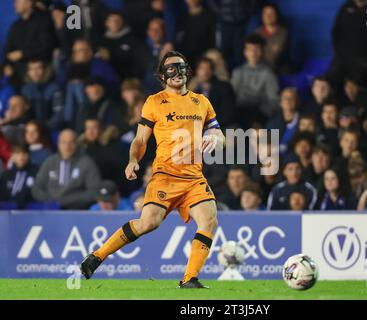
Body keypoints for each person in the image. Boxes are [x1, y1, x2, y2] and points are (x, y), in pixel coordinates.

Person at [80, 51, 225, 289]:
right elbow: (139, 140)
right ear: (162, 76)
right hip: (165, 176)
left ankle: (189, 279)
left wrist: (217, 139)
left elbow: (217, 131)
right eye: (170, 69)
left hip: (194, 178)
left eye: (180, 67)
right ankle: (97, 256)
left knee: (209, 221)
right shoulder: (154, 102)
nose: (176, 73)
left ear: (187, 71)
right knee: (148, 223)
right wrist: (133, 160)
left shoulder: (202, 102)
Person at [327, 0, 367, 87]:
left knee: (353, 85)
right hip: (343, 58)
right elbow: (336, 32)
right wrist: (340, 52)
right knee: (328, 82)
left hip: (364, 61)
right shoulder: (347, 7)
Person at [31, 129, 101, 209]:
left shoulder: (87, 163)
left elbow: (94, 192)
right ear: (58, 144)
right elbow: (36, 189)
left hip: (77, 211)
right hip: (51, 209)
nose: (67, 147)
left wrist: (66, 200)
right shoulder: (49, 162)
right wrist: (51, 201)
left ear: (77, 144)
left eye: (71, 142)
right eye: (63, 142)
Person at [231, 34, 279, 128]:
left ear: (262, 52)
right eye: (250, 49)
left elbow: (273, 100)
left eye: (256, 49)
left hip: (260, 114)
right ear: (245, 52)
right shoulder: (237, 72)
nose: (253, 53)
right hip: (240, 112)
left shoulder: (268, 74)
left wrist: (263, 114)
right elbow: (232, 97)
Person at [2, 0, 56, 85]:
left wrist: (23, 53)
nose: (14, 4)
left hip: (40, 69)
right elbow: (8, 50)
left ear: (29, 3)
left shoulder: (44, 21)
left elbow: (46, 47)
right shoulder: (16, 26)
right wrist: (6, 65)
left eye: (18, 1)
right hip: (18, 72)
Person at [188, 57, 236, 128]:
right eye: (202, 68)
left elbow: (228, 113)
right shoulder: (193, 90)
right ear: (197, 71)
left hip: (221, 125)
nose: (205, 72)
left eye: (208, 68)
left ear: (212, 71)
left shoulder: (224, 87)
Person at [21, 59, 63, 126]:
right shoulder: (25, 90)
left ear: (45, 70)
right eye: (31, 69)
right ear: (28, 72)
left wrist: (43, 128)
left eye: (39, 68)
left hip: (49, 129)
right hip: (30, 130)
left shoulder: (54, 89)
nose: (35, 72)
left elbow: (58, 115)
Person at [176, 0, 216, 64]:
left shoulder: (209, 16)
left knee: (214, 56)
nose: (191, 1)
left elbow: (212, 40)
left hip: (204, 54)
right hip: (185, 55)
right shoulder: (182, 17)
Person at [0, 145, 38, 209]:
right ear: (12, 156)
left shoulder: (36, 172)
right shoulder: (5, 175)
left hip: (30, 211)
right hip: (6, 213)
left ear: (29, 155)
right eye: (17, 153)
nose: (21, 157)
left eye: (24, 153)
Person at [254, 3, 288, 73]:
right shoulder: (256, 33)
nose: (268, 16)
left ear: (276, 15)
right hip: (258, 68)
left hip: (278, 69)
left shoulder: (283, 33)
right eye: (265, 14)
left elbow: (274, 55)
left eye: (271, 14)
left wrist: (260, 52)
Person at [266, 87, 300, 155]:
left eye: (291, 98)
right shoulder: (272, 124)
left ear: (297, 101)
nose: (288, 101)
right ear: (280, 102)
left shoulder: (303, 121)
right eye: (285, 98)